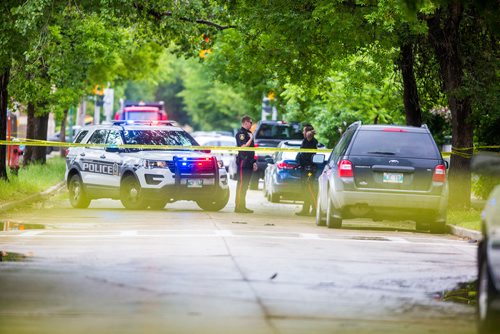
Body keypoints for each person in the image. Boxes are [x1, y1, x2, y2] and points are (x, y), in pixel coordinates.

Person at [235, 115, 257, 213]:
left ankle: (243, 206)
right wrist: (250, 139)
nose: (251, 124)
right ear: (245, 122)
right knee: (241, 185)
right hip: (243, 162)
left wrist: (254, 162)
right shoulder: (241, 134)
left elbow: (252, 151)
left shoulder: (249, 133)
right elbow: (243, 147)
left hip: (249, 162)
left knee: (245, 185)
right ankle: (238, 207)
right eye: (250, 122)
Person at [295, 124, 319, 216]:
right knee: (305, 190)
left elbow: (309, 136)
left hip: (309, 170)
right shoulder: (305, 141)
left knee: (310, 189)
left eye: (304, 131)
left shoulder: (311, 141)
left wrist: (310, 132)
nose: (302, 133)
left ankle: (315, 209)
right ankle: (305, 209)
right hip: (304, 169)